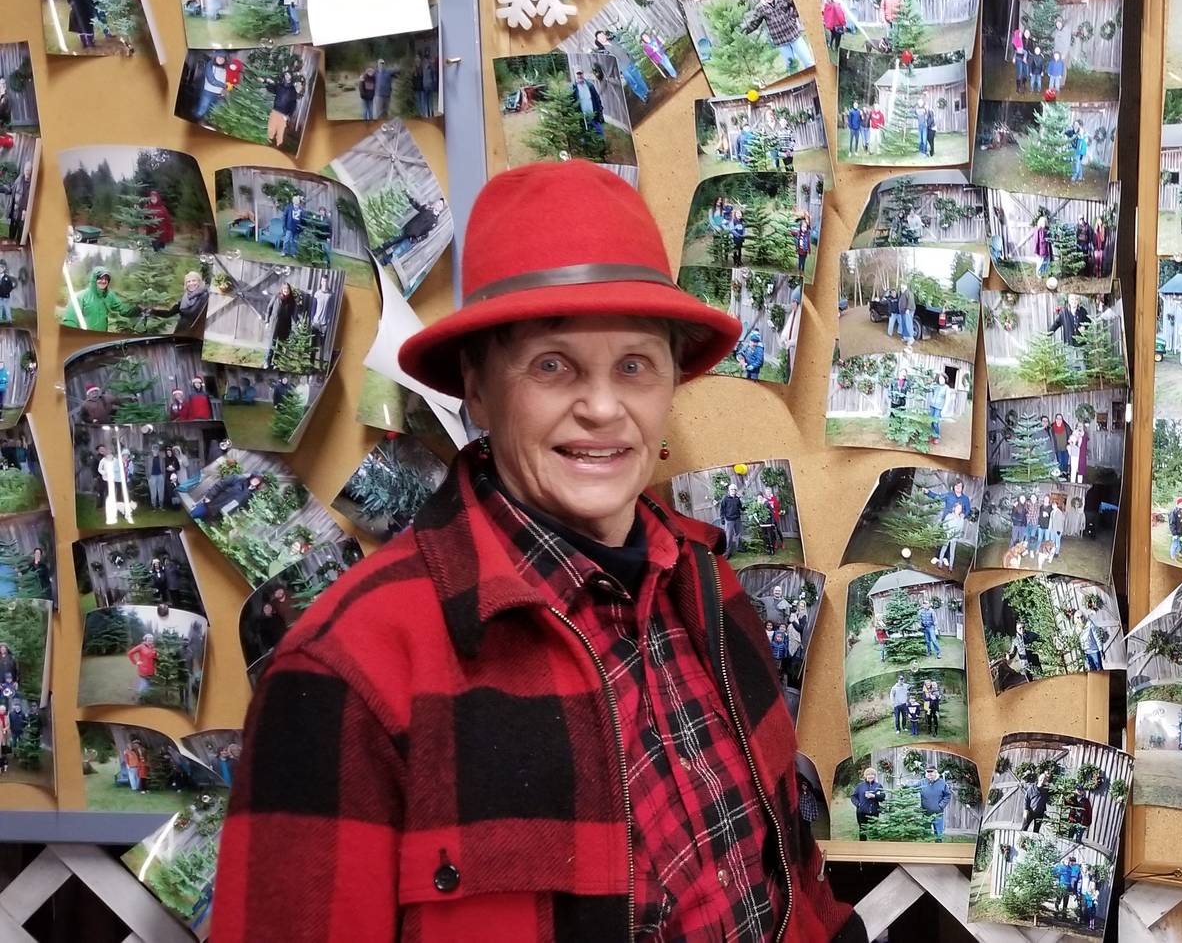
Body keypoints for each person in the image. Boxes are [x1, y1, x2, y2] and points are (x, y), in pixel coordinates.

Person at [215, 163, 858, 940]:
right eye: (553, 365)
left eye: (635, 366)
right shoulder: (346, 673)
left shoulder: (707, 585)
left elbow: (788, 868)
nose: (602, 406)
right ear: (479, 391)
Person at [851, 767, 887, 840]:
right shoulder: (860, 786)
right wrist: (858, 804)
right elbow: (853, 797)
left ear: (875, 776)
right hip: (862, 812)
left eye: (872, 774)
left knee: (874, 830)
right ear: (865, 776)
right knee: (862, 830)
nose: (870, 776)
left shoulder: (878, 786)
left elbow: (882, 797)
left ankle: (873, 846)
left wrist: (874, 796)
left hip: (874, 811)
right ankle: (863, 846)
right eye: (868, 774)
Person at [918, 766, 952, 841]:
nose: (929, 774)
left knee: (939, 834)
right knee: (925, 834)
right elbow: (913, 787)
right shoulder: (922, 782)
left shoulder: (942, 783)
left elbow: (947, 796)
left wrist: (940, 806)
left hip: (938, 814)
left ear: (935, 772)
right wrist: (905, 786)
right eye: (928, 772)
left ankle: (939, 850)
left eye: (931, 772)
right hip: (925, 813)